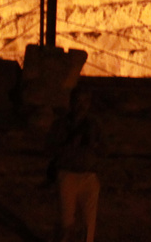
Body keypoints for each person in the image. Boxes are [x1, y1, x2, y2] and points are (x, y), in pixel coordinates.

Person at [46, 86, 102, 242]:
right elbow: (49, 149)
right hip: (67, 174)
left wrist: (95, 145)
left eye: (86, 101)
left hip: (89, 175)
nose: (82, 105)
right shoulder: (61, 125)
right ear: (71, 103)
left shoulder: (93, 125)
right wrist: (70, 144)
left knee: (88, 223)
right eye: (78, 101)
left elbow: (105, 150)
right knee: (66, 221)